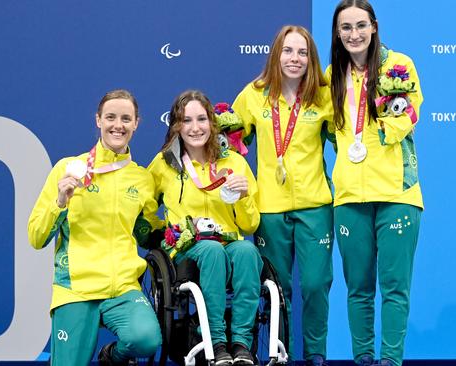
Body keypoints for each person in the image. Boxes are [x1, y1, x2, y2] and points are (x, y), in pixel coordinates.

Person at [27, 89, 162, 366]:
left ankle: (112, 357)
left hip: (122, 289)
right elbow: (36, 237)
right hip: (77, 289)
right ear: (98, 120)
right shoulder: (68, 168)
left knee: (146, 339)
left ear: (136, 123)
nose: (118, 125)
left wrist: (182, 227)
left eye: (126, 118)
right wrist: (60, 201)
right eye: (110, 117)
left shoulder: (142, 178)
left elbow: (148, 233)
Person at [327, 1, 424, 366]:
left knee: (395, 290)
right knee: (359, 290)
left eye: (360, 26)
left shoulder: (399, 66)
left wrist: (380, 133)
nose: (354, 34)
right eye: (346, 28)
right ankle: (363, 359)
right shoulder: (330, 77)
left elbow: (410, 114)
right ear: (337, 33)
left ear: (374, 26)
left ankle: (391, 361)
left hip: (397, 193)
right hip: (350, 197)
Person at [231, 25, 334, 366]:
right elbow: (231, 143)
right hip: (270, 208)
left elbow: (347, 139)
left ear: (311, 58)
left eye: (302, 52)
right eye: (288, 51)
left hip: (316, 206)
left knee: (317, 284)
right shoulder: (253, 94)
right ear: (276, 55)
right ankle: (281, 352)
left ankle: (316, 353)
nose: (295, 59)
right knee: (278, 288)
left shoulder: (323, 96)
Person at [147, 90, 262, 366]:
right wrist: (171, 231)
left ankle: (242, 343)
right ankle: (217, 340)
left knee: (247, 252)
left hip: (229, 243)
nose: (195, 127)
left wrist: (245, 198)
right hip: (191, 249)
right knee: (211, 251)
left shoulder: (234, 162)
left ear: (212, 123)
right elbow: (146, 211)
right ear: (176, 125)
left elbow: (250, 224)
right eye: (187, 120)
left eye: (201, 119)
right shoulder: (164, 164)